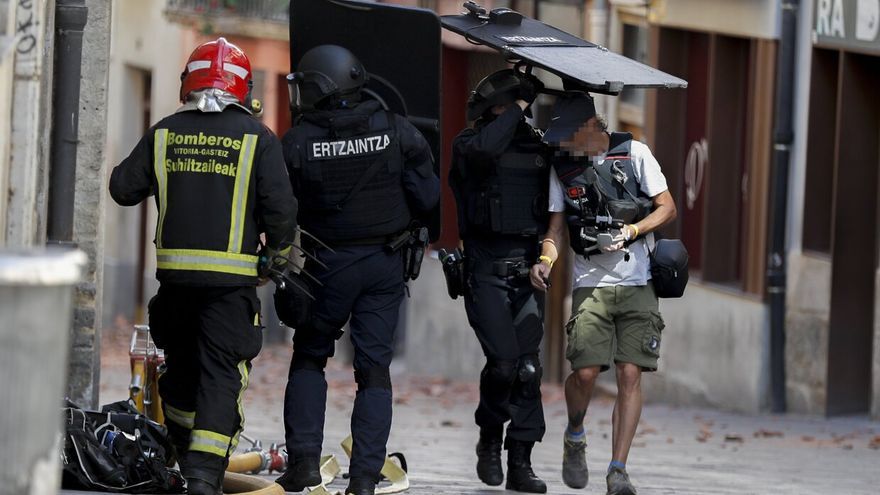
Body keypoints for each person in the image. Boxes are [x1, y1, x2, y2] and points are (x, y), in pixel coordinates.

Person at [109, 38, 297, 495]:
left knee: (182, 369)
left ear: (188, 82)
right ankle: (202, 476)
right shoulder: (258, 138)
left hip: (174, 286)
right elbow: (281, 210)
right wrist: (275, 259)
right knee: (221, 376)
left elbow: (122, 188)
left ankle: (183, 454)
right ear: (243, 87)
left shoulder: (165, 133)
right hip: (230, 288)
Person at [274, 44, 440, 495]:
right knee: (374, 370)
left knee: (310, 356)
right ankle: (365, 477)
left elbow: (280, 207)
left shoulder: (297, 142)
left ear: (320, 88)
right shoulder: (399, 132)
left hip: (325, 265)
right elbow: (428, 199)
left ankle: (305, 464)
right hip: (385, 265)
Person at [529, 92, 677, 495]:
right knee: (585, 372)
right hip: (590, 282)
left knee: (631, 372)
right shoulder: (563, 169)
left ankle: (617, 469)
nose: (566, 145)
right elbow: (556, 228)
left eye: (571, 136)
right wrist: (546, 259)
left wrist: (633, 230)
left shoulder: (635, 154)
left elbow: (667, 207)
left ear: (594, 127)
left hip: (638, 279)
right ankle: (575, 433)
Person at [448, 69, 549, 493]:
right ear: (492, 110)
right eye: (510, 107)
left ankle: (520, 460)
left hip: (528, 270)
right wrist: (520, 105)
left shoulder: (537, 146)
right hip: (485, 271)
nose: (518, 115)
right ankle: (490, 435)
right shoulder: (469, 144)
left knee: (528, 369)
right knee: (504, 363)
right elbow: (487, 151)